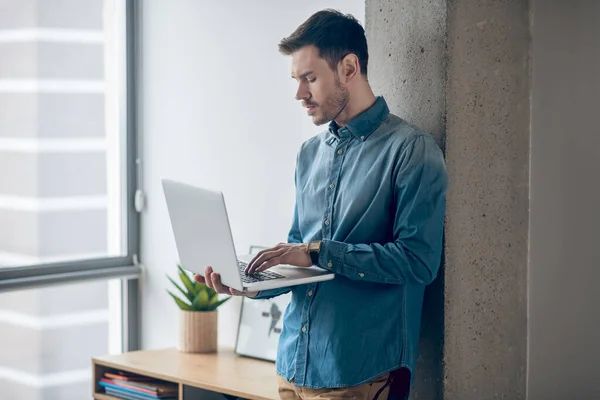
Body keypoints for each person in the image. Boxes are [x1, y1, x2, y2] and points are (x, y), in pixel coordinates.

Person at [194, 9, 447, 400]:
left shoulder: (411, 150)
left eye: (309, 78)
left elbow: (418, 261)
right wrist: (248, 284)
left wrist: (317, 252)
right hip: (292, 366)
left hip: (358, 373)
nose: (299, 93)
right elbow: (298, 256)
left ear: (349, 67)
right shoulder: (309, 154)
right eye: (296, 80)